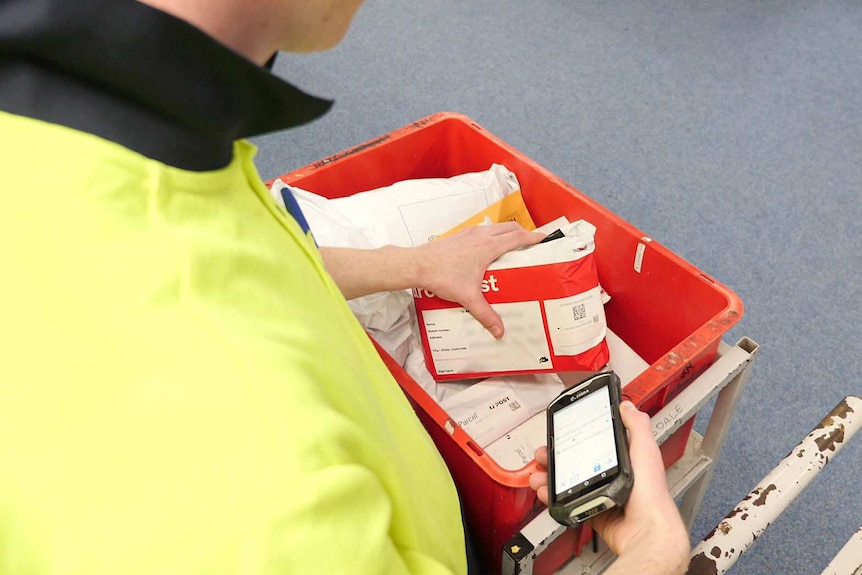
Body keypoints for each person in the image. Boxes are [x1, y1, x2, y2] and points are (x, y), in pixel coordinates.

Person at [0, 0, 689, 574]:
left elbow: (242, 254)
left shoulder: (103, 126)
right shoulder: (273, 511)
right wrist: (655, 551)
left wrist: (413, 264)